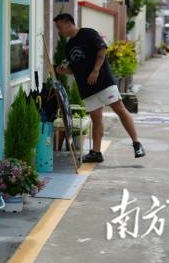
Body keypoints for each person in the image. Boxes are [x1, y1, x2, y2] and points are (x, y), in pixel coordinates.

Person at [53, 13, 145, 163]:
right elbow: (74, 69)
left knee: (120, 109)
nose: (59, 30)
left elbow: (102, 50)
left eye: (59, 26)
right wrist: (64, 71)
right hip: (86, 88)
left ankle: (137, 143)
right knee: (96, 118)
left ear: (68, 23)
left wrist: (95, 70)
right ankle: (96, 152)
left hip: (103, 81)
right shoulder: (68, 46)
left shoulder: (88, 33)